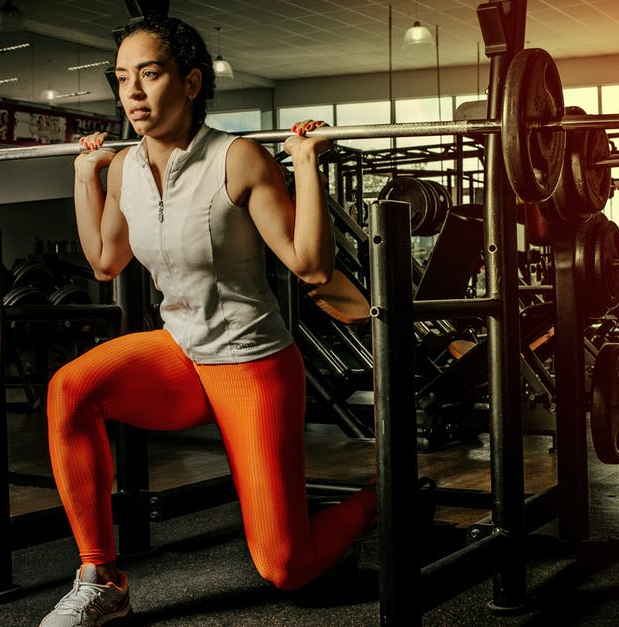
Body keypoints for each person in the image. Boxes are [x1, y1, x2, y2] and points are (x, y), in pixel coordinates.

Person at [40, 15, 377, 627]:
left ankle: (376, 506)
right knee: (70, 388)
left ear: (191, 81)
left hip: (253, 365)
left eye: (150, 74)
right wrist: (82, 178)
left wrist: (305, 163)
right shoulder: (123, 169)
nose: (133, 94)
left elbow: (309, 266)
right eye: (122, 79)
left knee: (285, 567)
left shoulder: (238, 158)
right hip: (182, 355)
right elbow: (104, 261)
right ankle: (101, 578)